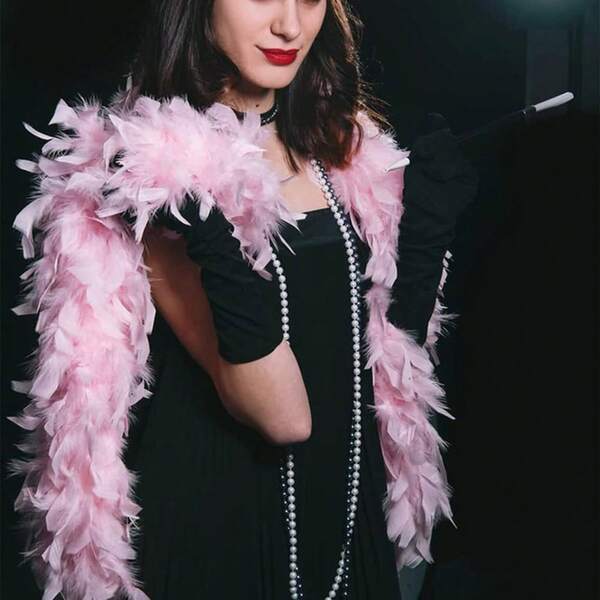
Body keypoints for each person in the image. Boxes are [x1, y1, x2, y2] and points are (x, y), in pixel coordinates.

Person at [8, 1, 479, 598]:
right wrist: (208, 234)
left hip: (344, 527)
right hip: (221, 532)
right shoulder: (153, 170)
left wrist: (424, 243)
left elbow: (381, 367)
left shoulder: (341, 150)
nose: (289, 25)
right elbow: (284, 417)